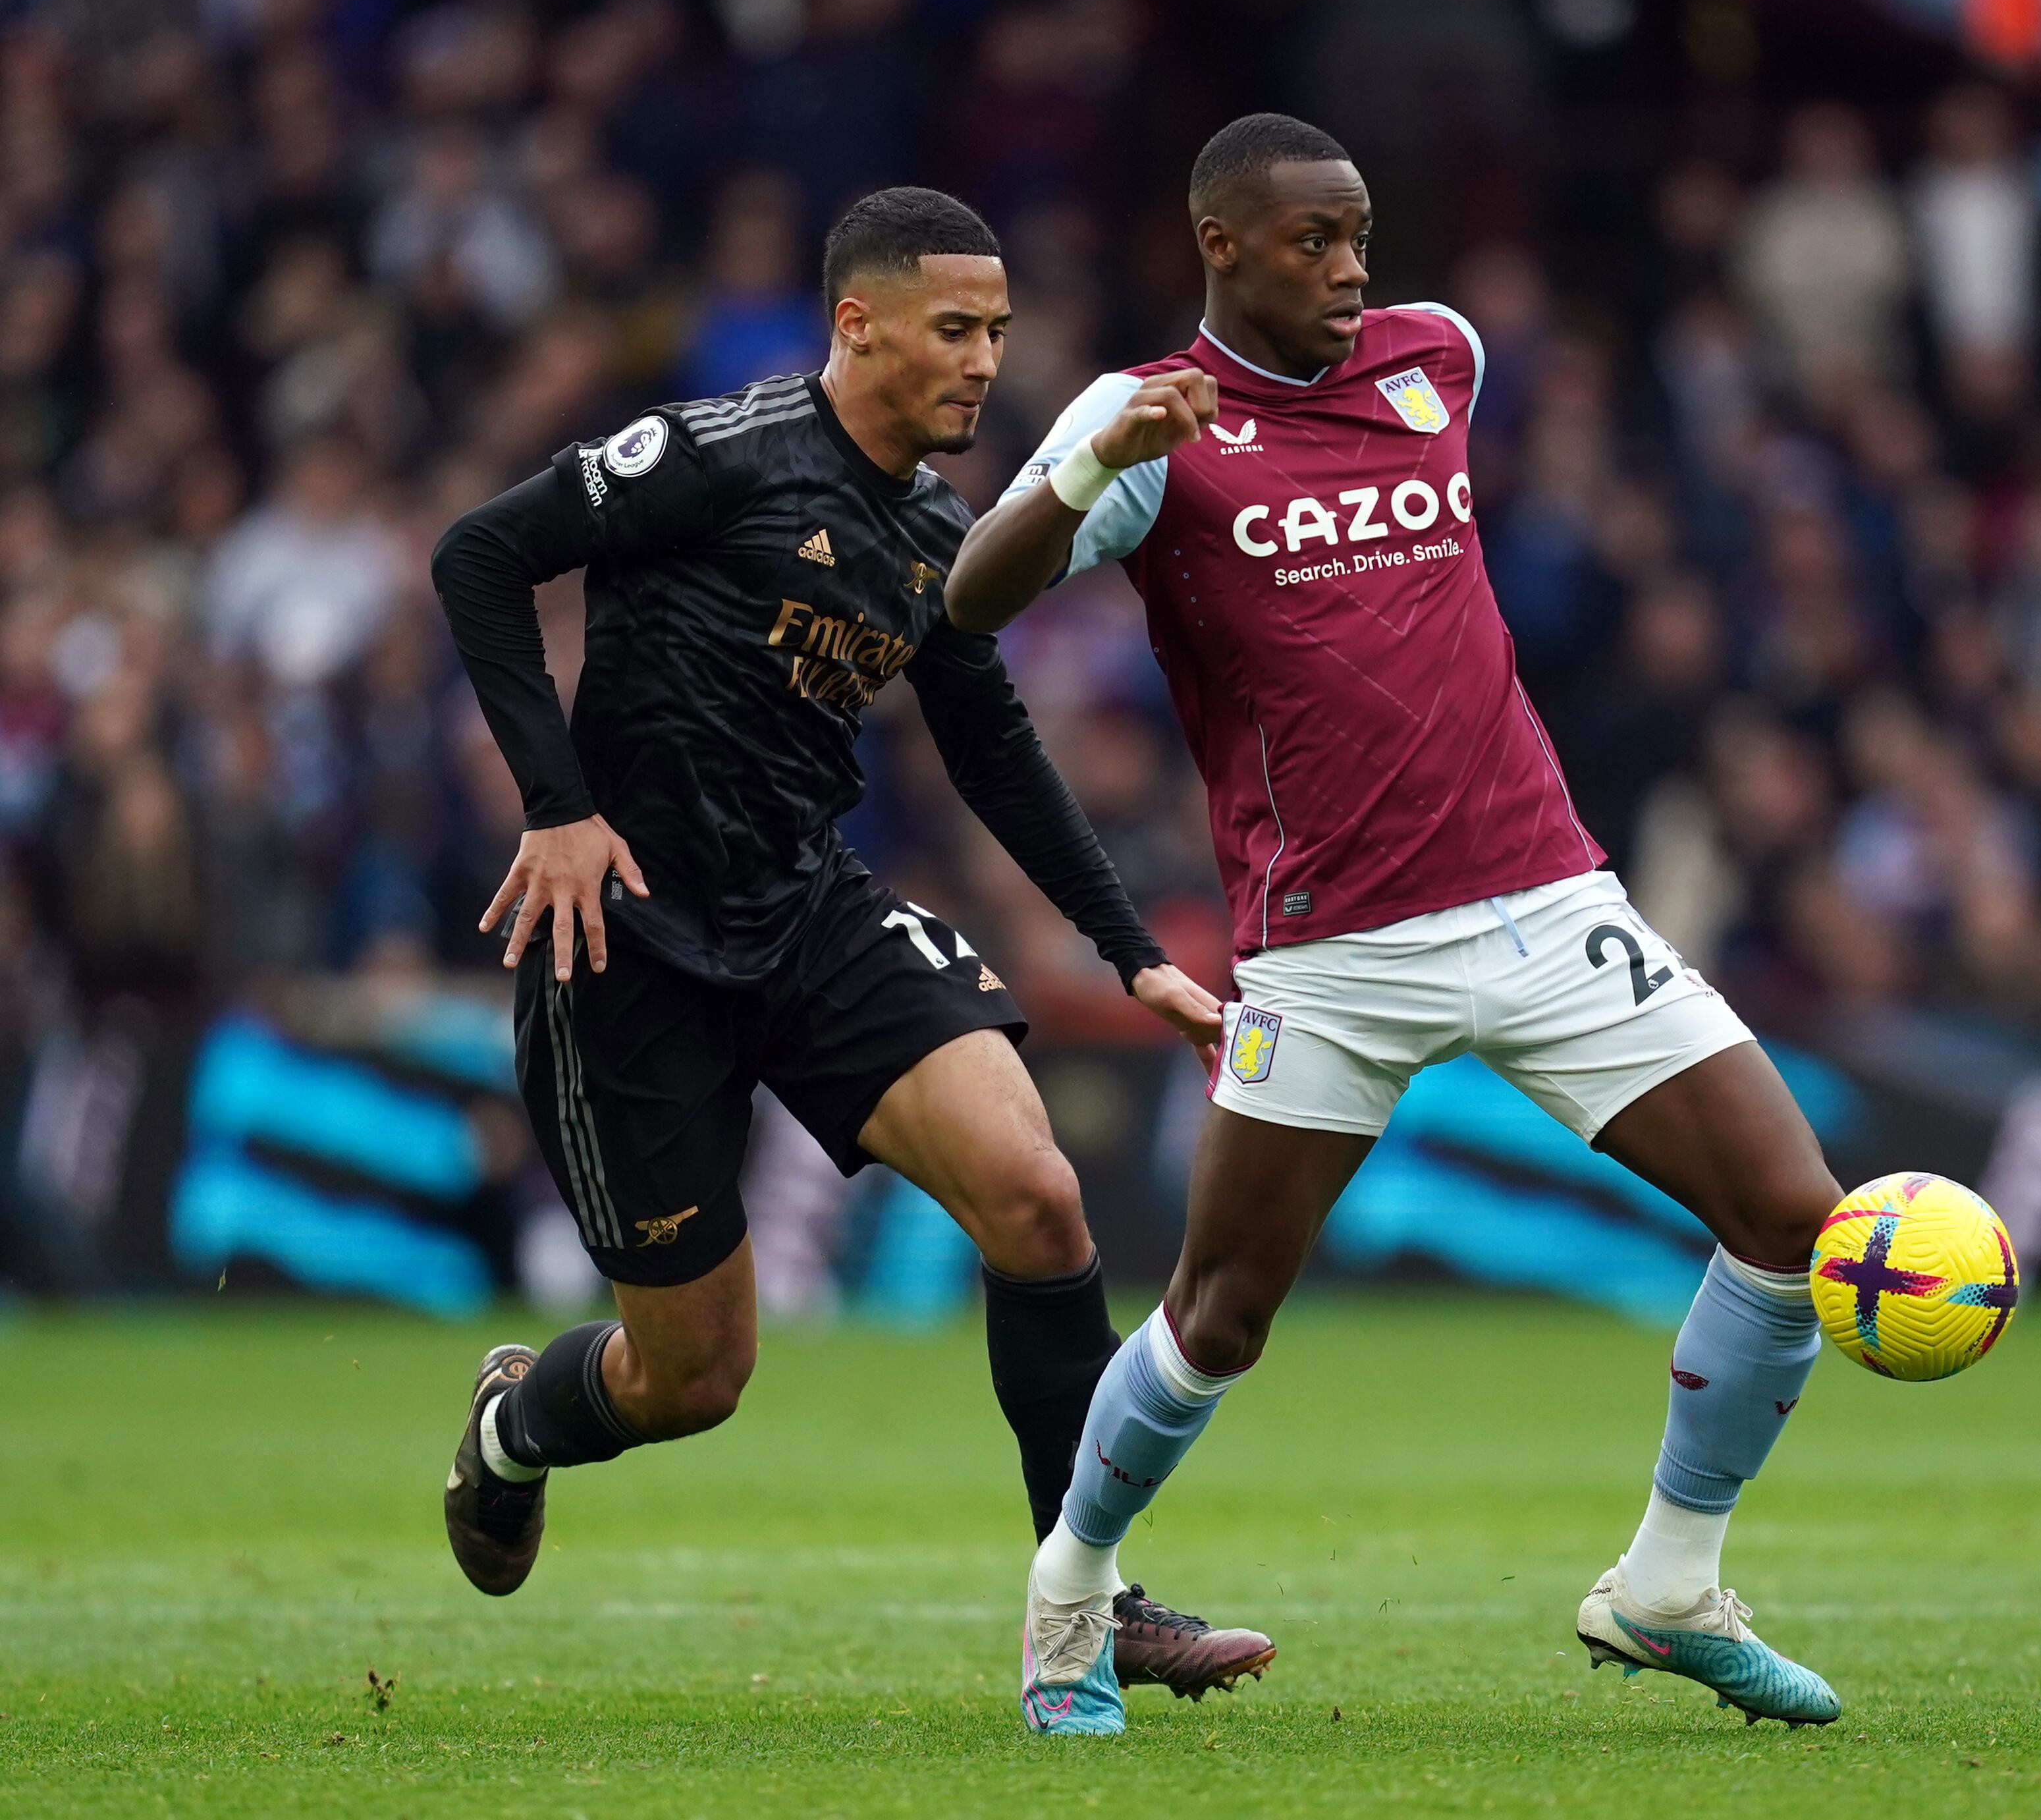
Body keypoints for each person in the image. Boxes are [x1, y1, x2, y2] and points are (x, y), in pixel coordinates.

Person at [947, 116, 1849, 1736]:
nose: (1354, 268)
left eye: (1361, 234)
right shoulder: (1143, 421)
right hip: (1331, 951)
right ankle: (1070, 1596)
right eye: (1314, 240)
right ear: (1221, 242)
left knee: (1796, 1217)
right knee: (1219, 1317)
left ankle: (1667, 1585)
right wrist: (1098, 456)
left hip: (1548, 895)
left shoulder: (1441, 358)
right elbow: (971, 597)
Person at [429, 186, 1274, 1706]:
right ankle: (517, 1424)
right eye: (955, 329)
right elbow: (482, 557)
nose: (983, 361)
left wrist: (1129, 949)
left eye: (999, 333)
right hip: (625, 934)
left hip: (808, 907)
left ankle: (1090, 1600)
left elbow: (996, 751)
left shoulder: (937, 529)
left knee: (1035, 1194)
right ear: (857, 322)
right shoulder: (713, 455)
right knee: (693, 1378)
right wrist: (555, 809)